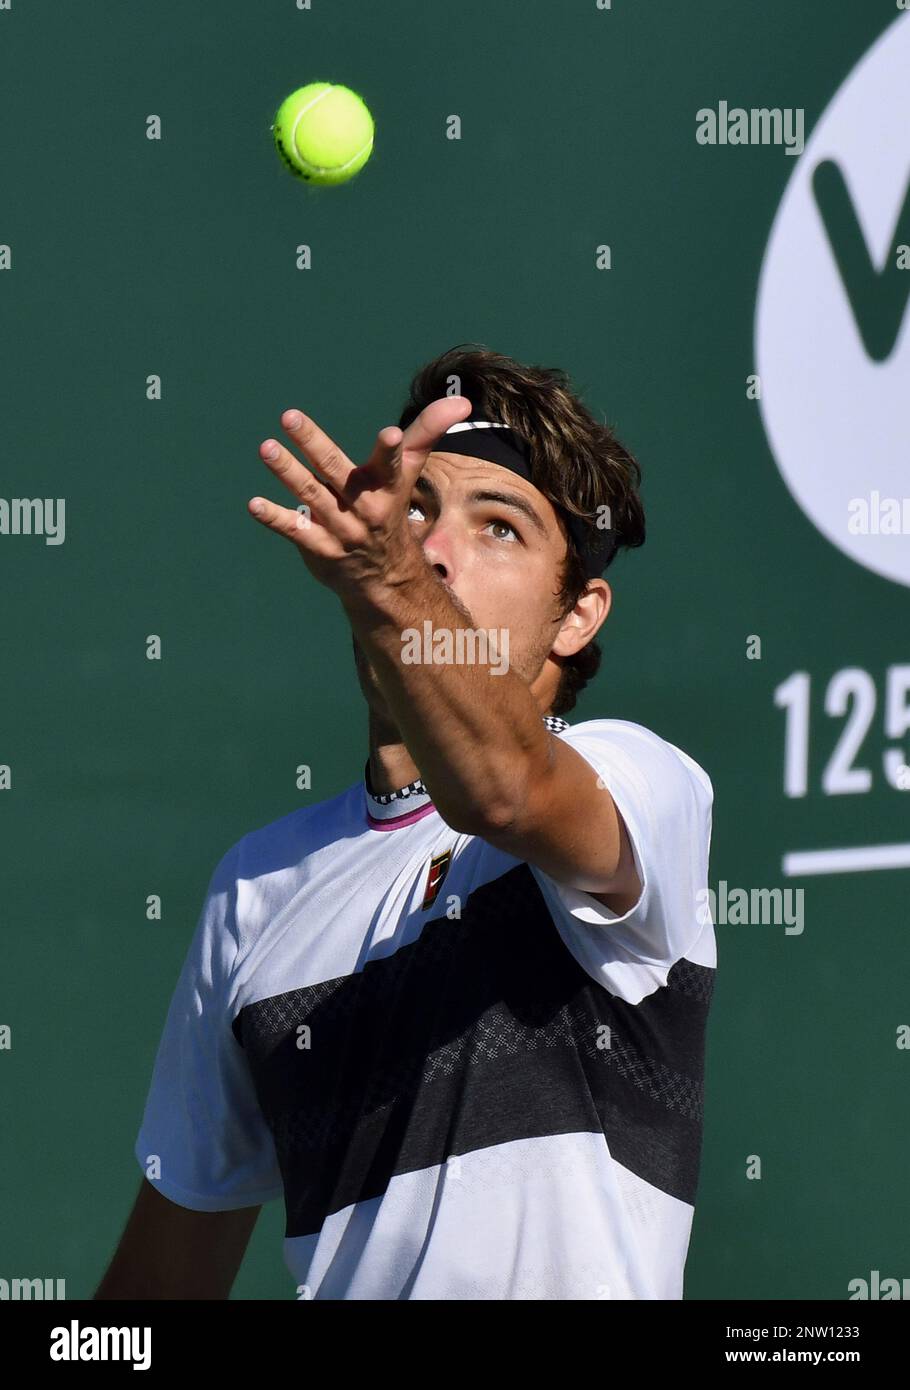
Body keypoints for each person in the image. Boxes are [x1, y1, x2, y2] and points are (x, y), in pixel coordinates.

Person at [95, 343, 715, 1301]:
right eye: (416, 510)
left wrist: (391, 588)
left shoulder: (642, 782)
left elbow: (503, 790)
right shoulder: (255, 888)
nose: (429, 548)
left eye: (498, 527)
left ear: (578, 615)